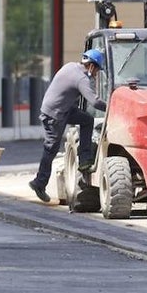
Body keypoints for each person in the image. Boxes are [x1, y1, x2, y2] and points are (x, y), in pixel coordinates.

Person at [28, 49, 108, 203]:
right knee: (50, 148)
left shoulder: (70, 66)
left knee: (87, 120)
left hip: (62, 109)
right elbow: (95, 101)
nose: (96, 74)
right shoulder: (82, 79)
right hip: (55, 114)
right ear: (91, 66)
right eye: (97, 70)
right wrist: (112, 105)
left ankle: (84, 159)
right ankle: (39, 183)